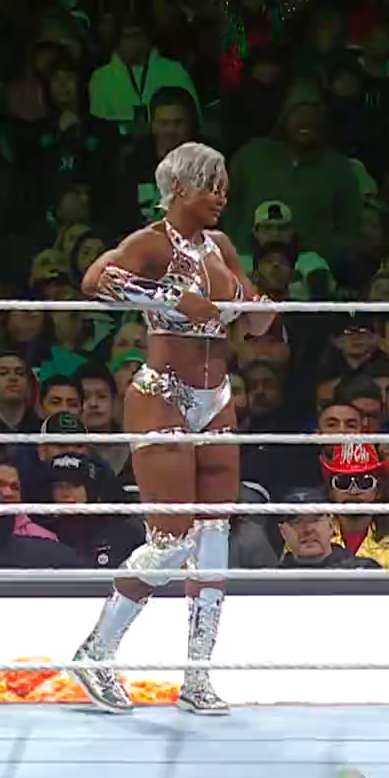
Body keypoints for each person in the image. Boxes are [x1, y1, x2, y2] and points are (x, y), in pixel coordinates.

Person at [71, 143, 277, 717]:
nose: (222, 197)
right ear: (180, 188)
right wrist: (174, 299)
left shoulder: (221, 246)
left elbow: (252, 313)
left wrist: (257, 308)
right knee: (172, 541)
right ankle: (96, 650)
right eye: (212, 185)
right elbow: (95, 279)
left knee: (213, 539)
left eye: (225, 186)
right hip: (163, 395)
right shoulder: (152, 243)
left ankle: (198, 677)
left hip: (218, 398)